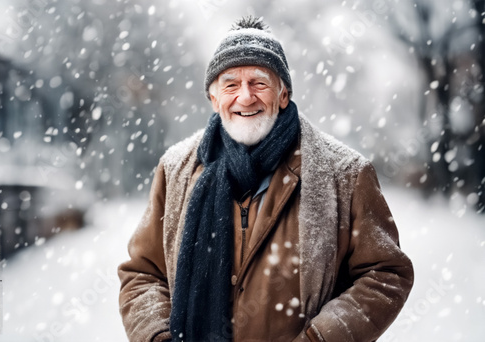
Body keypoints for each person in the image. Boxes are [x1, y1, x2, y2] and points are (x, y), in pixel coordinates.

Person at [118, 15, 414, 342]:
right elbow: (142, 273)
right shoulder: (175, 169)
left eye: (259, 82)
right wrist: (157, 337)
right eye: (231, 84)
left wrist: (320, 338)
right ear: (214, 99)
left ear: (283, 94)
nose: (245, 97)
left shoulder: (345, 173)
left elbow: (386, 273)